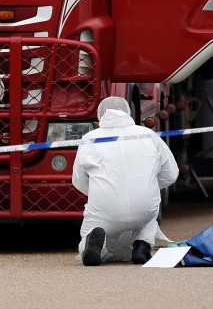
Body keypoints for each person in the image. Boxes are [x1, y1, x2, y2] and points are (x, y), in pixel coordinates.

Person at [72, 96, 179, 266]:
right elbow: (171, 174)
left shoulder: (89, 139)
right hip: (144, 208)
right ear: (128, 112)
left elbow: (78, 180)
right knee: (150, 209)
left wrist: (98, 191)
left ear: (100, 115)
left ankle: (94, 247)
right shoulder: (148, 135)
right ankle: (142, 244)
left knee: (93, 230)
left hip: (105, 209)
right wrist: (149, 186)